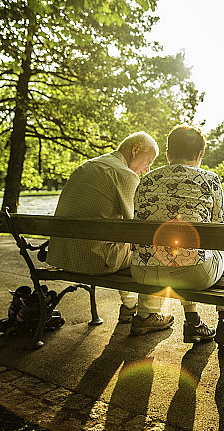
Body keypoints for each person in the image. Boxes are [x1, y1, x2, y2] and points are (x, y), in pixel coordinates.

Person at [45, 131, 170, 328]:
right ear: (135, 149)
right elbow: (138, 228)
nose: (147, 170)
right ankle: (148, 315)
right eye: (148, 162)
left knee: (121, 244)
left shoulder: (87, 166)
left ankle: (129, 306)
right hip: (94, 261)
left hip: (64, 255)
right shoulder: (124, 174)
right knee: (156, 251)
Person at [129, 125, 224, 352]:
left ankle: (193, 320)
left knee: (179, 251)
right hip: (194, 275)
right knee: (220, 247)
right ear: (199, 155)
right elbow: (219, 230)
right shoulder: (210, 180)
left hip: (143, 272)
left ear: (168, 154)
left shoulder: (146, 181)